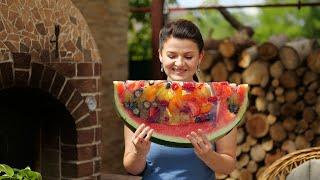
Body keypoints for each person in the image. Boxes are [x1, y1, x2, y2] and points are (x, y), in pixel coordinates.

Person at [123, 19, 237, 180]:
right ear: (160, 55)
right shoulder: (140, 101)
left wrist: (208, 155)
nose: (179, 63)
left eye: (188, 56)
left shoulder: (220, 101)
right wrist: (138, 153)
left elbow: (228, 166)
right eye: (171, 55)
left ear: (200, 57)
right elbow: (132, 168)